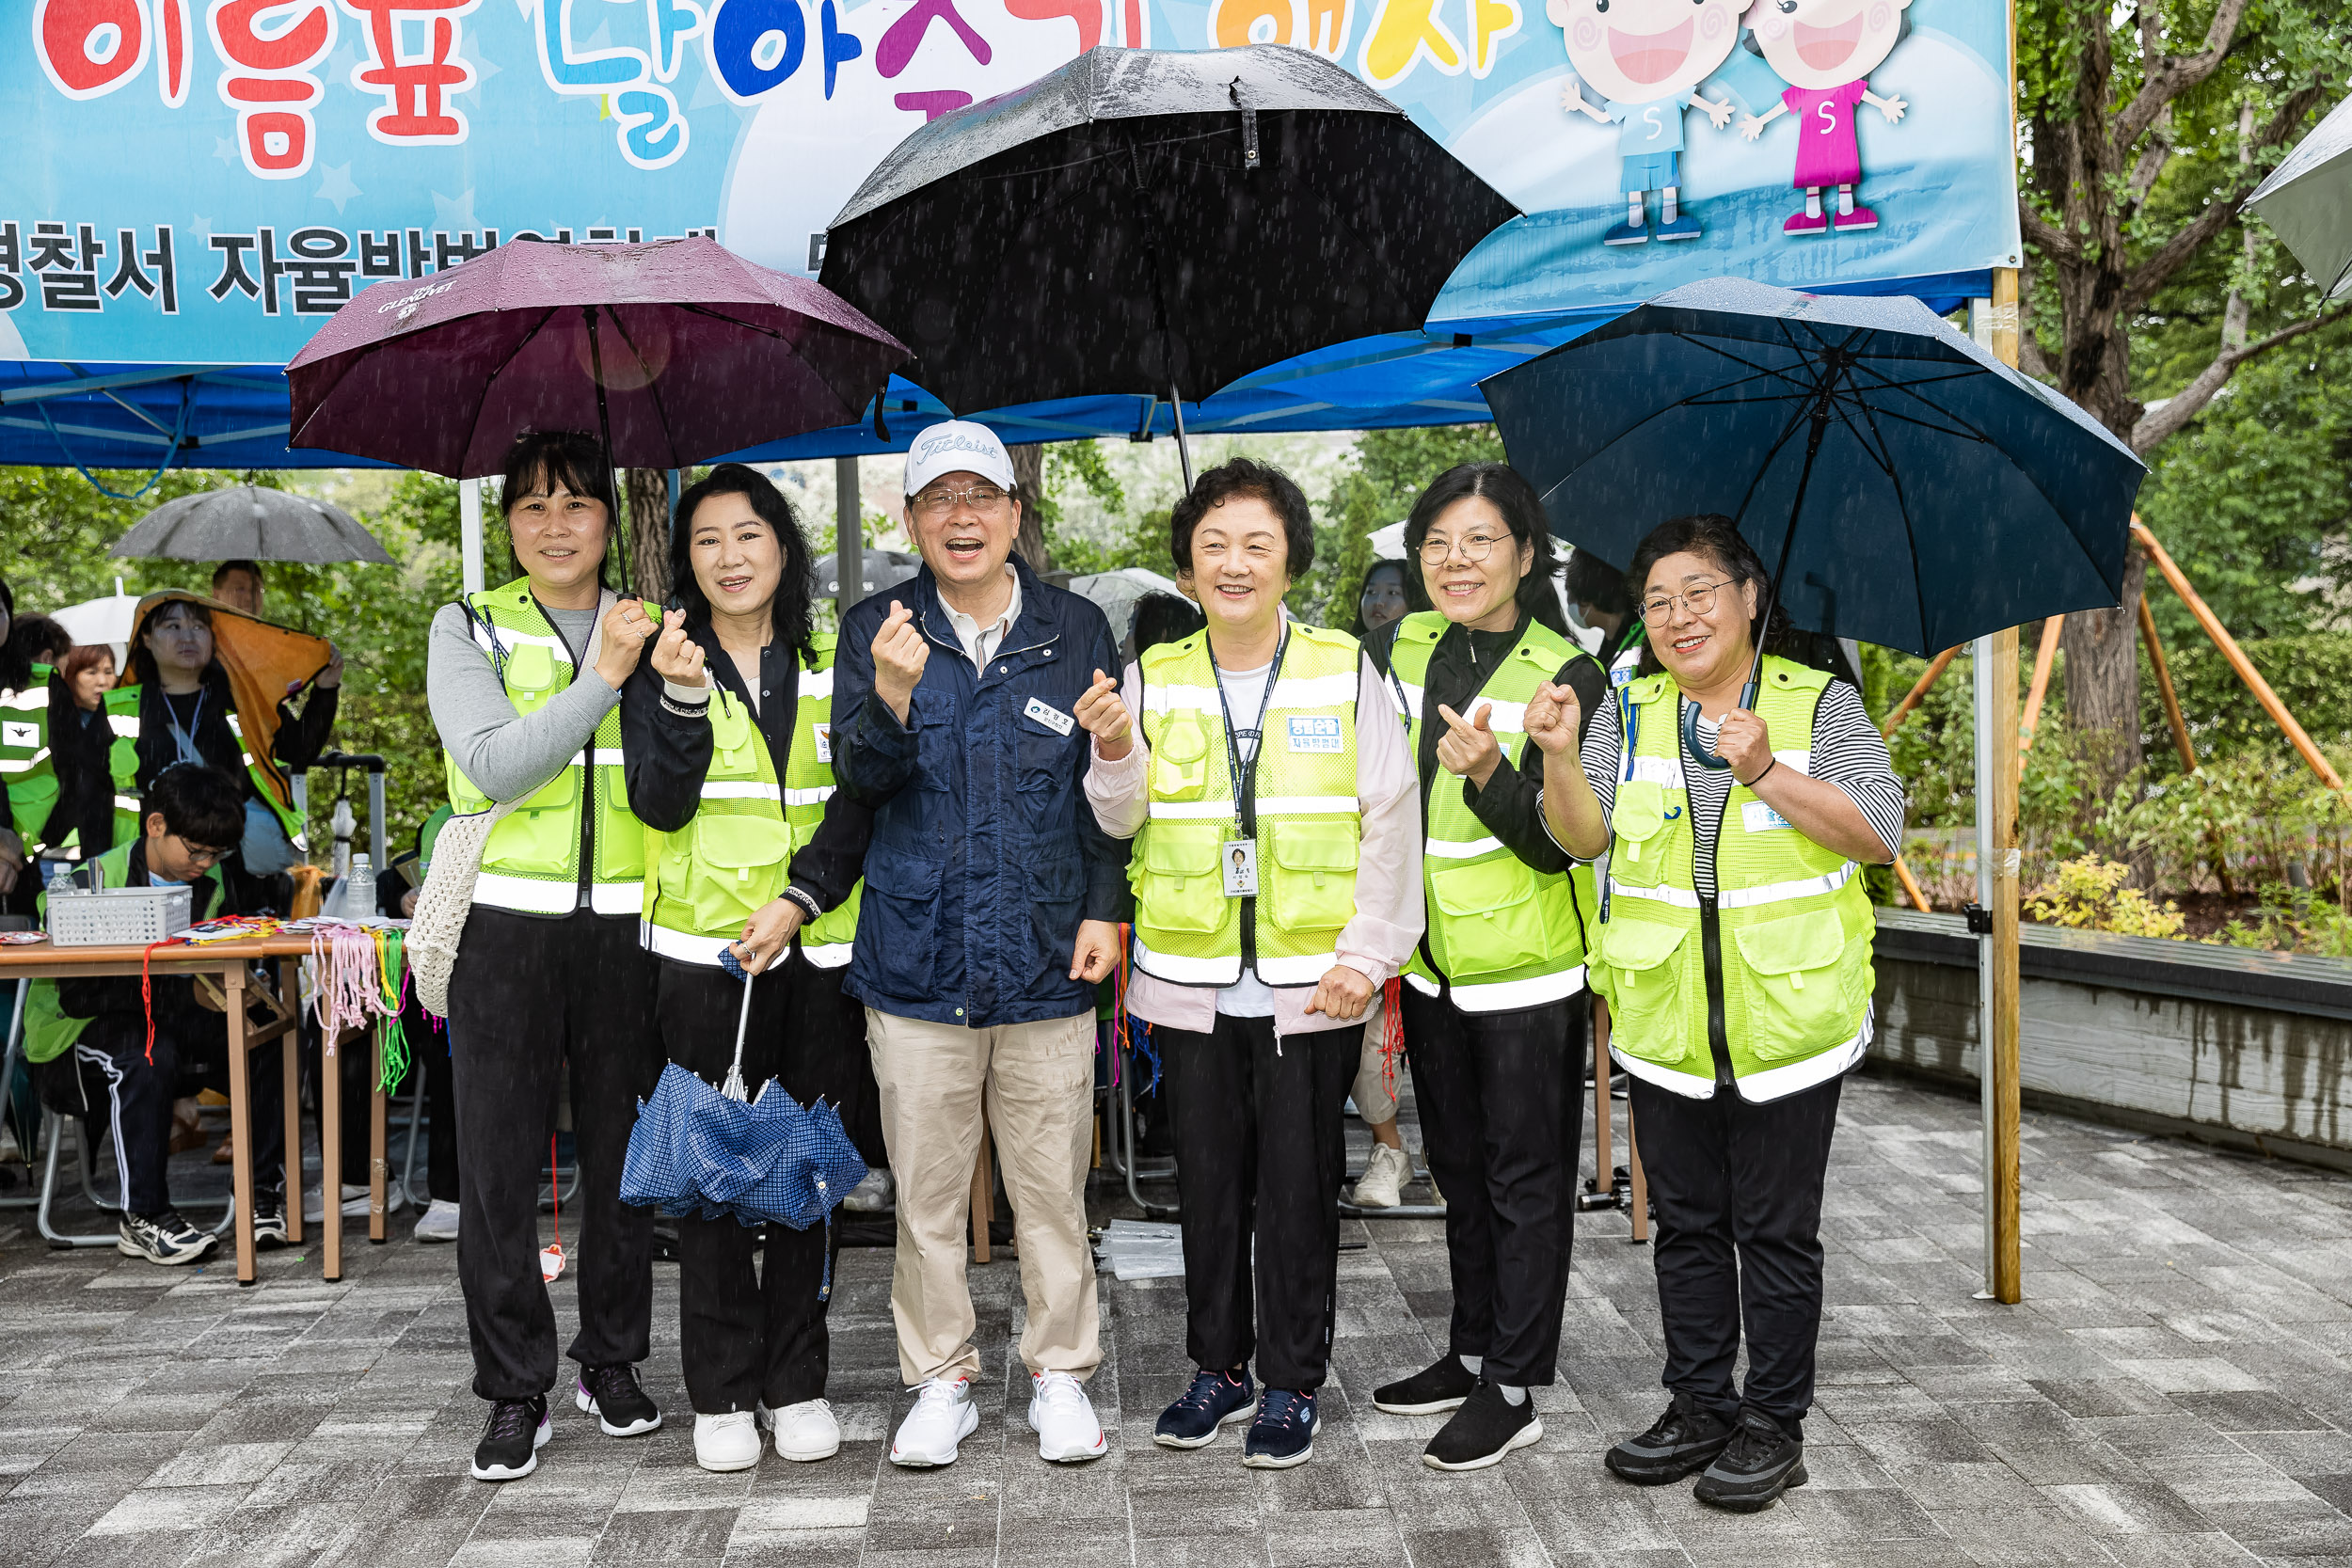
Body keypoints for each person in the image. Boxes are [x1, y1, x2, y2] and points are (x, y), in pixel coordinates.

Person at [1538, 513, 1904, 1512]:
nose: (1676, 614)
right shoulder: (1626, 707)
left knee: (1777, 1233)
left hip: (1786, 1017)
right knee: (1688, 1227)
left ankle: (1773, 1424)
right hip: (1666, 1019)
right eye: (1657, 599)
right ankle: (1698, 1404)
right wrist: (1564, 758)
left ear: (1750, 598)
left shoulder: (1816, 701)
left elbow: (1878, 833)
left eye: (1700, 590)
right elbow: (1581, 841)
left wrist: (1767, 770)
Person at [1079, 457, 1423, 1470]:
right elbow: (1120, 816)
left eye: (1256, 544)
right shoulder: (1155, 673)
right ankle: (1216, 1366)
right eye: (1214, 544)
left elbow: (1390, 817)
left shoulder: (1340, 667)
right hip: (1187, 977)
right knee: (1211, 1183)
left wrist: (1366, 955)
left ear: (1289, 561)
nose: (1234, 562)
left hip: (1312, 981)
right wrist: (1108, 751)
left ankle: (1290, 1381)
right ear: (1187, 566)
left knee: (1300, 1186)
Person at [829, 420, 1126, 1470]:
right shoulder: (876, 623)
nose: (962, 514)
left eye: (981, 495)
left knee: (1051, 1187)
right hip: (916, 957)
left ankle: (1058, 1373)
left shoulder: (1077, 626)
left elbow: (1106, 788)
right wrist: (892, 695)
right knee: (927, 1195)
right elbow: (857, 787)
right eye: (938, 498)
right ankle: (940, 1377)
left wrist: (1104, 905)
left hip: (1048, 953)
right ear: (909, 520)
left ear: (1013, 512)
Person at [621, 463, 879, 1474]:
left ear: (783, 547)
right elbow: (658, 803)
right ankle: (721, 1390)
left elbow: (861, 798)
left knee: (807, 1165)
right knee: (713, 1170)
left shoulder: (834, 659)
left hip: (814, 946)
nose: (730, 557)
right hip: (704, 955)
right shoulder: (661, 662)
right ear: (685, 561)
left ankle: (797, 1379)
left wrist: (800, 897)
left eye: (749, 535)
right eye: (707, 541)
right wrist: (681, 698)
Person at [1356, 463, 1607, 1470]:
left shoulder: (1565, 674)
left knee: (1524, 1179)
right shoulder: (1389, 648)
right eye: (1437, 544)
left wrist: (1497, 772)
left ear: (1526, 554)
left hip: (1526, 974)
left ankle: (1514, 1383)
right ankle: (1467, 1349)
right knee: (1458, 1171)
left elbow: (1564, 844)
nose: (1455, 562)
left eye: (1480, 541)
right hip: (1429, 970)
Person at [426, 430, 663, 1483]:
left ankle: (610, 1359)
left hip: (630, 930)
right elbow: (494, 763)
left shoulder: (654, 627)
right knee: (497, 1173)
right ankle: (513, 1385)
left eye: (576, 504)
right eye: (532, 506)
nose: (555, 524)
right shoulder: (467, 624)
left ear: (611, 520)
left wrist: (636, 658)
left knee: (624, 1167)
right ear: (505, 524)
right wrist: (603, 677)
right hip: (505, 933)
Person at [20, 764, 293, 1260]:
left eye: (218, 853)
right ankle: (143, 1216)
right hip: (73, 1034)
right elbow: (77, 994)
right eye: (197, 851)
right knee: (145, 1052)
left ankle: (261, 1195)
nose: (205, 863)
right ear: (156, 825)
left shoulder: (212, 883)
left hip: (165, 1019)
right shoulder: (86, 884)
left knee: (263, 1034)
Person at [119, 594, 340, 911]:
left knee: (235, 954)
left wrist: (326, 689)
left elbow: (299, 751)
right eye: (173, 626)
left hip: (235, 868)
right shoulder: (120, 704)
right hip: (149, 868)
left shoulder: (244, 700)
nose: (187, 636)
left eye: (198, 626)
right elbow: (96, 785)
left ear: (213, 638)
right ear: (147, 638)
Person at [1342, 554, 1424, 1209]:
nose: (1380, 601)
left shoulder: (1440, 657)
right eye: (1372, 590)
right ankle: (1389, 1149)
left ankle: (1453, 1159)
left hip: (1447, 882)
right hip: (1371, 871)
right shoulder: (1342, 665)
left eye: (1394, 591)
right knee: (1372, 1027)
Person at [44, 643, 119, 863]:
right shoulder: (54, 723)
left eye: (108, 672)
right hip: (54, 846)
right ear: (71, 674)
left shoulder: (123, 722)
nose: (102, 682)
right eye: (91, 672)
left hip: (109, 842)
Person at [1565, 548, 1643, 687]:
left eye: (1570, 594)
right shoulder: (1614, 638)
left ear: (1585, 600)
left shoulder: (1640, 644)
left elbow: (1610, 689)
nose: (1569, 603)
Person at [1353, 559, 1412, 637]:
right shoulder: (1343, 647)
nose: (1378, 602)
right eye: (1371, 592)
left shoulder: (1427, 648)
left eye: (1392, 593)